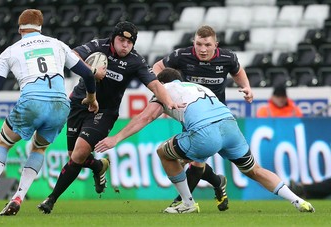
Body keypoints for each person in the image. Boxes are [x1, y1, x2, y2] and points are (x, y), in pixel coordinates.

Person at [95, 68, 315, 213]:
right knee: (255, 169)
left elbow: (147, 117)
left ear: (161, 83)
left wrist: (116, 137)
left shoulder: (165, 89)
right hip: (230, 126)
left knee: (164, 152)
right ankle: (298, 200)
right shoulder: (198, 87)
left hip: (205, 132)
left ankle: (188, 204)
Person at [0, 9, 101, 216]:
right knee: (38, 149)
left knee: (3, 143)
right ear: (40, 27)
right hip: (60, 105)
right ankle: (18, 196)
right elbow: (88, 74)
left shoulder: (10, 51)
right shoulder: (58, 44)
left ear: (20, 29)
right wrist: (91, 97)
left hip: (32, 102)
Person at [37, 21, 178, 214]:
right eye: (121, 40)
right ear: (113, 38)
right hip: (80, 103)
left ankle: (51, 200)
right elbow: (72, 56)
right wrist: (91, 70)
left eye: (130, 42)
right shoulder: (98, 46)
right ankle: (98, 165)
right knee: (74, 157)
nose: (125, 45)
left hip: (104, 112)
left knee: (78, 153)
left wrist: (169, 102)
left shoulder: (135, 61)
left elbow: (154, 84)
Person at [152, 25, 254, 211]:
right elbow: (157, 67)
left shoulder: (227, 58)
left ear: (216, 44)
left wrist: (246, 86)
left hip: (215, 116)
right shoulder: (181, 55)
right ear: (194, 43)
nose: (202, 49)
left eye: (207, 44)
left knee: (196, 162)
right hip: (191, 113)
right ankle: (217, 182)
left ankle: (183, 202)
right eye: (199, 44)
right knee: (192, 161)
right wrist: (162, 93)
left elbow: (237, 71)